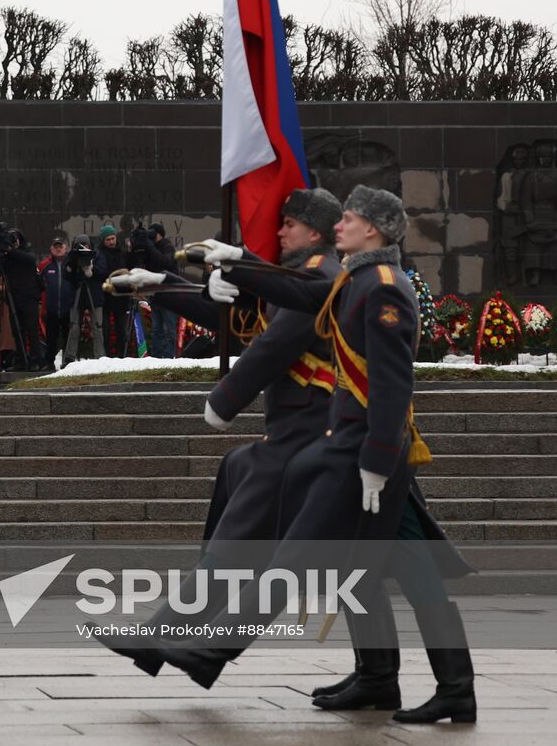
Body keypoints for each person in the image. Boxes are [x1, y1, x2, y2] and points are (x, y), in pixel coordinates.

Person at [169, 186, 476, 725]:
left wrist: (377, 464)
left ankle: (212, 650)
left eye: (351, 219)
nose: (341, 225)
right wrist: (240, 265)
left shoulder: (381, 288)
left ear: (374, 231)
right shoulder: (356, 280)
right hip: (351, 451)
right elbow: (303, 293)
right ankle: (389, 679)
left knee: (299, 557)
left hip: (367, 457)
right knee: (376, 569)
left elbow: (391, 385)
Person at [93, 188, 343, 672]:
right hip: (296, 433)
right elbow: (235, 317)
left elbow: (274, 345)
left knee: (251, 534)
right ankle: (185, 642)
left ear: (315, 232)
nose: (280, 230)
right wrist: (161, 283)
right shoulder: (299, 278)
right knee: (237, 481)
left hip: (310, 436)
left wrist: (225, 398)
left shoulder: (319, 276)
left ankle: (172, 640)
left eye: (290, 224)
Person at [128, 223, 177, 357]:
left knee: (169, 328)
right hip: (155, 294)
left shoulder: (167, 246)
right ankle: (156, 357)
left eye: (152, 232)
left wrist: (149, 247)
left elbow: (165, 263)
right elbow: (137, 266)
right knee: (156, 329)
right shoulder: (149, 249)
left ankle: (167, 357)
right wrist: (135, 246)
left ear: (159, 234)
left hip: (169, 294)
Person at [0, 230, 44, 369]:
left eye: (15, 239)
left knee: (32, 330)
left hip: (29, 297)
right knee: (17, 331)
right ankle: (21, 360)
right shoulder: (7, 256)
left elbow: (30, 260)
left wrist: (11, 251)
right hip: (14, 298)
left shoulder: (26, 252)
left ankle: (35, 360)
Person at [62, 234, 102, 363]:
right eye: (81, 245)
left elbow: (104, 273)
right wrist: (73, 266)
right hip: (76, 295)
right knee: (74, 328)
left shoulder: (97, 255)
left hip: (94, 296)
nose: (84, 248)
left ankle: (100, 357)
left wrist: (91, 268)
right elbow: (66, 274)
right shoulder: (71, 256)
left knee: (97, 327)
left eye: (86, 245)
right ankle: (69, 357)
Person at [39, 236, 76, 370]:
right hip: (51, 309)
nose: (58, 249)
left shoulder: (71, 264)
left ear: (66, 248)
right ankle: (49, 362)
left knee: (68, 336)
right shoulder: (44, 265)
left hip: (69, 308)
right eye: (56, 246)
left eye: (61, 246)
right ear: (51, 248)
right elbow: (38, 284)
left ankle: (68, 362)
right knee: (51, 338)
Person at [95, 226, 129, 357]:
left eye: (112, 238)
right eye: (107, 239)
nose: (111, 242)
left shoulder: (123, 253)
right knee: (105, 330)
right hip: (105, 297)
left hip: (121, 297)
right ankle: (106, 357)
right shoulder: (99, 254)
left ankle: (122, 356)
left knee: (122, 331)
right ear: (103, 241)